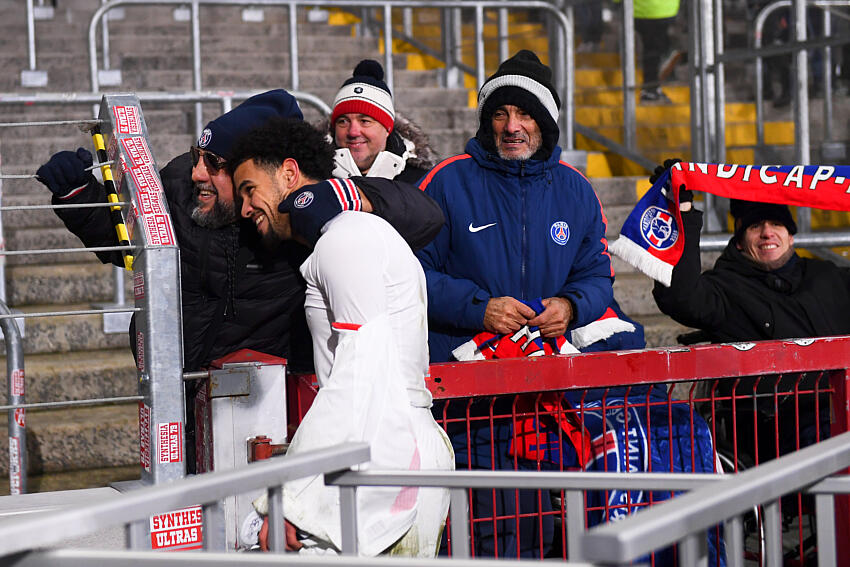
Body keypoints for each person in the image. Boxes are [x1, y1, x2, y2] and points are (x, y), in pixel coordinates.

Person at [35, 89, 444, 373]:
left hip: (269, 401)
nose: (198, 172)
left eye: (214, 162)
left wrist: (345, 197)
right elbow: (127, 243)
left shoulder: (298, 204)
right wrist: (80, 198)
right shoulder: (180, 181)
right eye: (198, 155)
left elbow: (424, 217)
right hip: (177, 391)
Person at [415, 49, 614, 558]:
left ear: (545, 123)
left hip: (549, 397)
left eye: (525, 114)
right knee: (486, 529)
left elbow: (597, 275)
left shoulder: (576, 191)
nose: (511, 126)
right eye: (500, 114)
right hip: (469, 400)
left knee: (552, 529)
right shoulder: (446, 181)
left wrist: (570, 306)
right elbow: (413, 276)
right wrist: (478, 308)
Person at [228, 116, 453, 556]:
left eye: (249, 190)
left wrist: (290, 499)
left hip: (390, 449)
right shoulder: (341, 238)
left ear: (289, 175)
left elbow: (360, 369)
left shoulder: (346, 238)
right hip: (385, 445)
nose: (244, 209)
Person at [324, 59, 437, 183]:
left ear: (387, 129)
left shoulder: (421, 182)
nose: (353, 132)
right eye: (343, 121)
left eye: (365, 121)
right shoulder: (311, 178)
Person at [633, 0, 681, 104]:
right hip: (667, 9)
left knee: (651, 51)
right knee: (655, 51)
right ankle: (651, 88)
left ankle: (651, 88)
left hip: (640, 9)